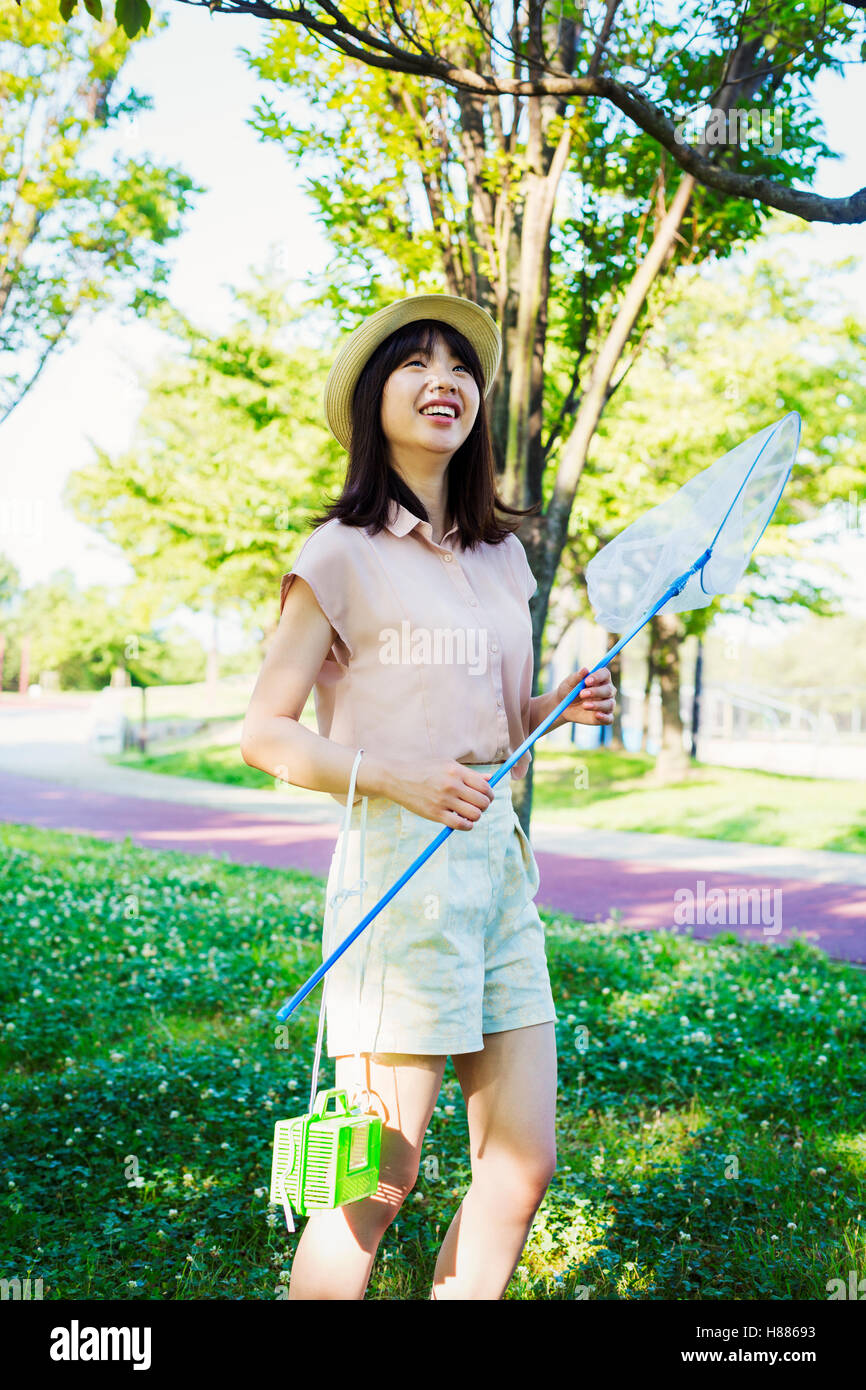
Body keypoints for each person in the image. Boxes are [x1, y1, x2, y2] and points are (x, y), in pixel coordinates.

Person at [241, 293, 616, 1300]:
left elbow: (492, 727)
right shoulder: (337, 552)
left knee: (521, 1163)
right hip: (394, 885)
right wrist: (395, 776)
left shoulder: (503, 559)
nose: (442, 378)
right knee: (370, 1182)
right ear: (374, 399)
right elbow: (263, 733)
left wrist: (554, 704)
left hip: (497, 877)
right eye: (414, 362)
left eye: (459, 365)